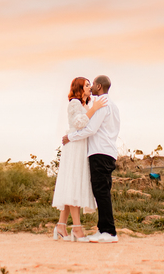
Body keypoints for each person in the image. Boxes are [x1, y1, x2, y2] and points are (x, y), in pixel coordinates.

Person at [62, 74, 120, 243]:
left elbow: (91, 129)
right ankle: (104, 230)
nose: (92, 87)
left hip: (99, 152)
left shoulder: (100, 104)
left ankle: (108, 232)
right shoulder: (113, 105)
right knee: (103, 192)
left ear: (99, 87)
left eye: (93, 84)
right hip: (109, 151)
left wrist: (70, 137)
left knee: (101, 193)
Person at [51, 77, 106, 241]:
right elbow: (79, 123)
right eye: (87, 85)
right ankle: (76, 228)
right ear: (79, 88)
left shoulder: (86, 105)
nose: (90, 88)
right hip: (74, 148)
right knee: (73, 184)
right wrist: (93, 109)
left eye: (90, 85)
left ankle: (61, 226)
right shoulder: (74, 103)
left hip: (82, 148)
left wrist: (92, 108)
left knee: (72, 185)